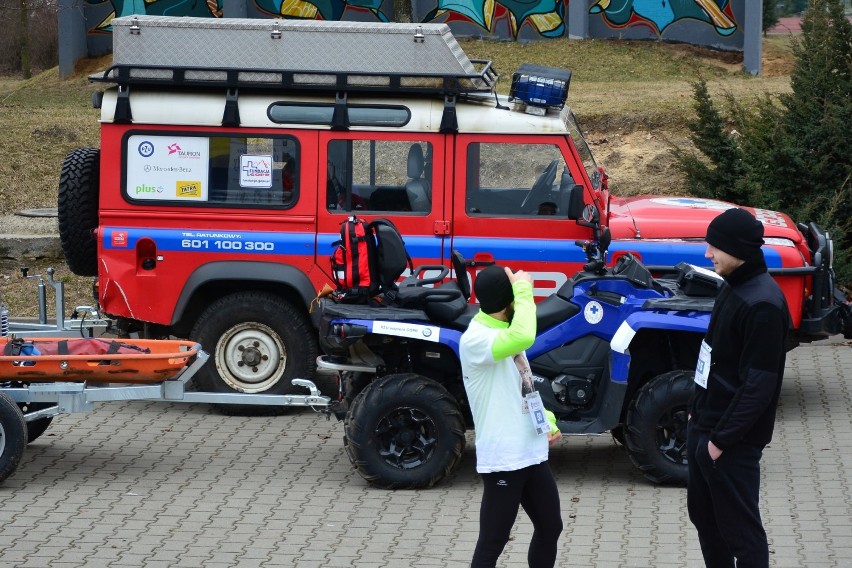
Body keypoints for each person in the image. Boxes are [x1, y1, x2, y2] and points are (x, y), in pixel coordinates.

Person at [687, 207, 791, 568]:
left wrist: (719, 442)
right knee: (706, 520)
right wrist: (695, 412)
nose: (707, 253)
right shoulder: (734, 286)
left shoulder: (762, 305)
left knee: (741, 534)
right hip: (705, 426)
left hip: (731, 442)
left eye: (714, 246)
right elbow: (715, 356)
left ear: (737, 250)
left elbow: (759, 387)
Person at [460, 264, 563, 568]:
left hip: (531, 452)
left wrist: (547, 421)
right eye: (516, 296)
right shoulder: (477, 339)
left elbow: (520, 386)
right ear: (509, 302)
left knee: (550, 527)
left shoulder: (504, 331)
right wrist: (524, 288)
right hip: (505, 458)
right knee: (493, 541)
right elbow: (525, 335)